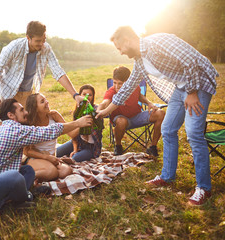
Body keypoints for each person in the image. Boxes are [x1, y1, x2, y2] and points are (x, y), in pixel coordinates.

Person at [96, 26, 219, 206]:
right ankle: (167, 176)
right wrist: (104, 112)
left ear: (127, 41)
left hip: (197, 83)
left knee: (193, 134)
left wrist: (192, 92)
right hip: (181, 87)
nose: (120, 52)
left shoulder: (158, 42)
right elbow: (127, 89)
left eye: (119, 48)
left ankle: (204, 188)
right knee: (168, 129)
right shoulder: (140, 61)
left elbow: (191, 60)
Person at [0, 99, 92, 211]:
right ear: (11, 115)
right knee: (15, 176)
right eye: (21, 110)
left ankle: (19, 194)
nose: (26, 112)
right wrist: (77, 123)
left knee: (28, 171)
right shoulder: (14, 130)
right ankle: (22, 199)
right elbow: (49, 131)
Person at [0, 21, 83, 112]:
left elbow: (58, 72)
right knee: (7, 123)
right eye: (38, 41)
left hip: (27, 92)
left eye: (44, 39)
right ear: (28, 38)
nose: (42, 44)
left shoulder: (46, 49)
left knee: (27, 122)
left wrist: (75, 95)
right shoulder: (14, 47)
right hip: (9, 91)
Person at [97, 66, 165, 156]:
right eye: (114, 82)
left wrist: (149, 103)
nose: (116, 86)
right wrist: (98, 110)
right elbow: (105, 102)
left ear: (127, 82)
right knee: (121, 121)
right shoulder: (112, 91)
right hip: (121, 120)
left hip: (137, 117)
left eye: (120, 83)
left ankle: (153, 147)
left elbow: (140, 96)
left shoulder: (133, 87)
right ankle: (118, 146)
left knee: (161, 113)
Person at [23, 93, 75, 182]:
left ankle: (42, 174)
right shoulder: (30, 123)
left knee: (66, 171)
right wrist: (46, 157)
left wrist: (85, 120)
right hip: (35, 158)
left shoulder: (54, 116)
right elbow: (26, 151)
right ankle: (23, 178)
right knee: (52, 172)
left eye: (45, 99)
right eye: (42, 101)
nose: (47, 102)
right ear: (35, 108)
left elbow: (72, 133)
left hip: (51, 158)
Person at [56, 84, 103, 162]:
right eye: (84, 94)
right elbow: (74, 136)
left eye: (90, 95)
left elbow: (98, 131)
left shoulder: (95, 111)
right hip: (78, 143)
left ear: (93, 97)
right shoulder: (78, 111)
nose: (87, 96)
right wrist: (75, 149)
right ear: (80, 96)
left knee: (74, 159)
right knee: (56, 153)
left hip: (91, 147)